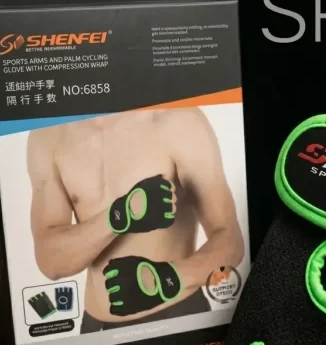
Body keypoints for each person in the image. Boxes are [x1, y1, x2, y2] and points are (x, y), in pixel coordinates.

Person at [27, 107, 244, 333]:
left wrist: (167, 280)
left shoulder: (179, 119)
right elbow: (50, 263)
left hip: (176, 315)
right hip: (94, 327)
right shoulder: (48, 134)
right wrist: (120, 215)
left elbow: (231, 242)